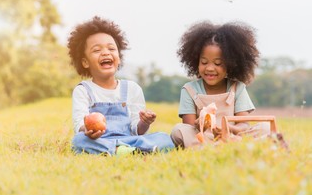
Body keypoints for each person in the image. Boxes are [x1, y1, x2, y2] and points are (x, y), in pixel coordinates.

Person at [67, 16, 175, 155]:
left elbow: (138, 131)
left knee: (164, 138)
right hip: (100, 141)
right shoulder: (83, 90)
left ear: (119, 56)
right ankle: (129, 152)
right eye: (96, 50)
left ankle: (126, 151)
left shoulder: (132, 89)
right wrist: (87, 131)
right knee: (79, 140)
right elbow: (79, 126)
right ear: (85, 62)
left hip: (130, 139)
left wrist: (145, 122)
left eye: (111, 48)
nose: (106, 52)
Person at [170, 21, 271, 148]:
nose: (210, 68)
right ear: (196, 61)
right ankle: (214, 147)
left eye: (218, 63)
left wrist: (228, 128)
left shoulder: (237, 88)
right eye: (204, 62)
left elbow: (244, 125)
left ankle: (229, 144)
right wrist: (200, 124)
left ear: (231, 64)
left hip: (232, 135)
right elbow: (189, 127)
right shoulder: (189, 89)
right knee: (179, 130)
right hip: (203, 137)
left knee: (265, 127)